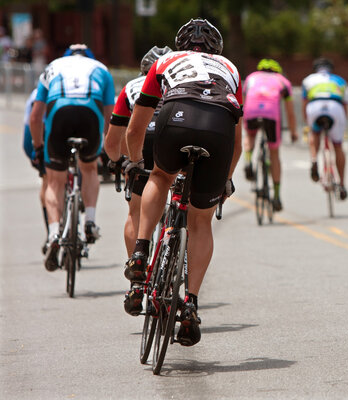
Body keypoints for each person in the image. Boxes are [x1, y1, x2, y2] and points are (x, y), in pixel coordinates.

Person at [124, 19, 243, 347]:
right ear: (216, 50)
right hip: (219, 125)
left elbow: (135, 129)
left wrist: (135, 163)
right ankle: (190, 303)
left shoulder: (166, 60)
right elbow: (240, 140)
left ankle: (140, 252)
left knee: (160, 176)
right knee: (201, 219)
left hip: (176, 113)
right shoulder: (230, 67)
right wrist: (227, 179)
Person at [29, 44, 115, 271]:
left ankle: (55, 233)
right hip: (90, 113)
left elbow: (35, 117)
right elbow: (110, 119)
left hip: (60, 113)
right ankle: (90, 221)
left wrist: (38, 149)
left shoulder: (52, 67)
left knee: (55, 180)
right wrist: (106, 150)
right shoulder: (101, 69)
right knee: (89, 169)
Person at [104, 45, 172, 255]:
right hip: (173, 134)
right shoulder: (180, 80)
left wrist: (117, 161)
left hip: (144, 140)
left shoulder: (131, 86)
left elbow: (113, 139)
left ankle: (137, 269)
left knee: (135, 212)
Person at [242, 58, 298, 211]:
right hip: (271, 114)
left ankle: (248, 161)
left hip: (251, 111)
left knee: (250, 136)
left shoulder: (251, 78)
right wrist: (293, 132)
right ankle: (277, 196)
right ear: (276, 70)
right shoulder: (282, 81)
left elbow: (243, 100)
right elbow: (290, 112)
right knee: (274, 153)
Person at [302, 57, 348, 200]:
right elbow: (345, 105)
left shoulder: (308, 80)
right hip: (335, 107)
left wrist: (307, 123)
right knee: (338, 146)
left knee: (315, 134)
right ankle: (342, 184)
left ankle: (314, 159)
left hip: (315, 107)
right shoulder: (340, 80)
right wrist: (343, 124)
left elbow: (305, 103)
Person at [23, 88, 49, 239]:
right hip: (37, 131)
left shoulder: (41, 88)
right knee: (49, 177)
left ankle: (50, 232)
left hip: (39, 128)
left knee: (49, 179)